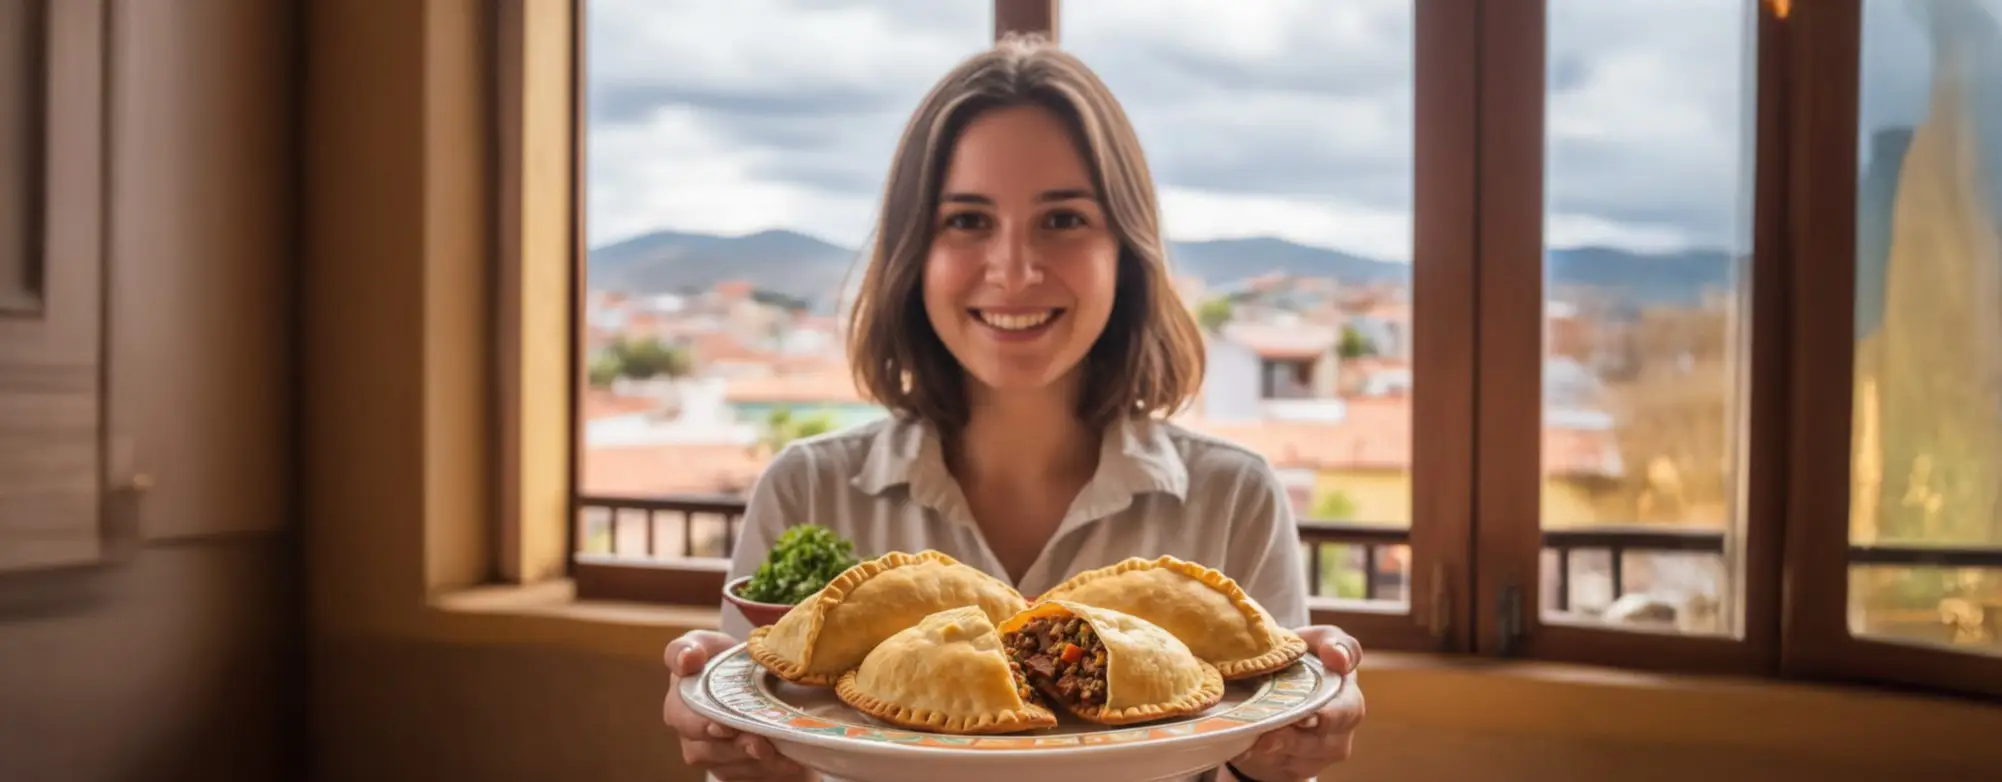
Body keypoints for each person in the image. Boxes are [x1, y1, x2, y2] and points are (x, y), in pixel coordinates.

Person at [659, 33, 1365, 782]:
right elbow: (757, 723)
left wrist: (1281, 763)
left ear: (1124, 253)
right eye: (967, 220)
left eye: (1062, 220)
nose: (1015, 270)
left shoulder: (1233, 500)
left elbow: (1256, 743)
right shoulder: (807, 491)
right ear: (913, 254)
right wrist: (740, 759)